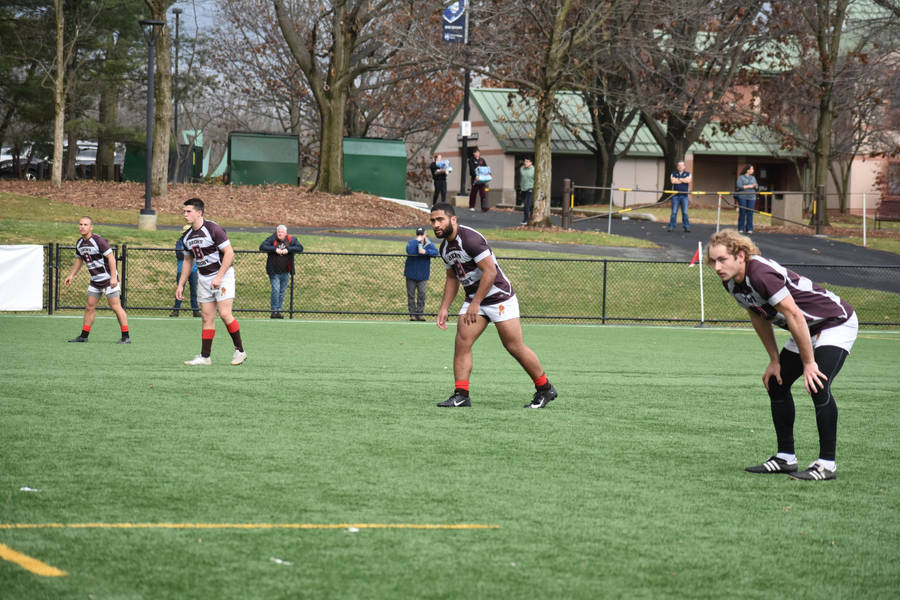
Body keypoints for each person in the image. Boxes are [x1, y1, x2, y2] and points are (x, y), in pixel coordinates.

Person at [707, 229, 857, 481]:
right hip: (805, 328)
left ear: (741, 256)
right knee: (776, 384)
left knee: (817, 384)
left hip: (833, 322)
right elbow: (756, 315)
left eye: (722, 260)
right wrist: (774, 360)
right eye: (713, 261)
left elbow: (795, 315)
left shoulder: (760, 274)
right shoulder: (730, 281)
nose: (717, 267)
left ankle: (827, 464)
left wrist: (809, 363)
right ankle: (785, 458)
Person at [429, 202, 557, 409]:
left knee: (514, 346)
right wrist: (444, 307)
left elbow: (490, 272)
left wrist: (475, 303)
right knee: (462, 343)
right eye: (433, 221)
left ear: (453, 220)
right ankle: (461, 395)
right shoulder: (444, 248)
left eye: (440, 219)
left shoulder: (470, 239)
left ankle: (545, 388)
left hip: (499, 298)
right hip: (475, 300)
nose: (436, 224)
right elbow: (452, 278)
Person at [177, 198, 247, 366]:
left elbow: (229, 254)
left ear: (199, 212)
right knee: (207, 317)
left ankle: (240, 350)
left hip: (223, 275)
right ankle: (205, 356)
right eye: (184, 211)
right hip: (204, 278)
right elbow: (188, 261)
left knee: (224, 314)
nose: (185, 214)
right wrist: (181, 284)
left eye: (189, 211)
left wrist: (219, 276)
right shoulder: (186, 237)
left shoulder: (213, 229)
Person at [64, 216, 131, 344]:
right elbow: (79, 259)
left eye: (85, 224)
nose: (82, 227)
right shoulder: (79, 243)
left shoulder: (98, 241)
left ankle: (126, 336)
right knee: (89, 306)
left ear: (91, 227)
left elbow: (111, 258)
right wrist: (71, 275)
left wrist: (113, 277)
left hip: (108, 279)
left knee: (115, 306)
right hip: (95, 280)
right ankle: (84, 336)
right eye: (80, 224)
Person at [259, 224, 304, 319]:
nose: (280, 234)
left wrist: (288, 250)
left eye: (282, 232)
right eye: (279, 232)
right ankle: (274, 310)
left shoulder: (292, 240)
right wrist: (275, 249)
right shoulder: (272, 239)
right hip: (274, 271)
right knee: (276, 289)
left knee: (282, 291)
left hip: (286, 271)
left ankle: (279, 310)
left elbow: (300, 248)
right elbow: (262, 246)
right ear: (276, 232)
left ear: (286, 233)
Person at [404, 226, 439, 321]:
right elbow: (409, 251)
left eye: (422, 234)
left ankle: (420, 313)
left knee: (422, 294)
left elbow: (436, 252)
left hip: (423, 274)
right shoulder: (412, 242)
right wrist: (417, 242)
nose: (420, 236)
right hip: (411, 273)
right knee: (411, 295)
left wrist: (425, 252)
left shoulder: (428, 243)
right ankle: (412, 314)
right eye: (418, 234)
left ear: (425, 234)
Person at [170, 225, 200, 318]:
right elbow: (179, 254)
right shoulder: (180, 242)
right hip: (181, 270)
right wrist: (188, 253)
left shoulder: (195, 241)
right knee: (180, 291)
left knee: (194, 291)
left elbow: (197, 254)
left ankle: (195, 311)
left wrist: (188, 253)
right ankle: (176, 310)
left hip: (193, 270)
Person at [668, 160, 691, 232]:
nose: (680, 167)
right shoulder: (673, 173)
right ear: (677, 167)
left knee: (685, 212)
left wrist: (678, 179)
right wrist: (682, 180)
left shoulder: (688, 173)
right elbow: (673, 181)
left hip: (684, 196)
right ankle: (671, 226)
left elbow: (688, 181)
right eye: (679, 166)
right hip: (675, 196)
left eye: (681, 166)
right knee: (674, 212)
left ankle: (686, 227)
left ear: (684, 167)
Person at [735, 164, 758, 234]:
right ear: (747, 170)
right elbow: (739, 186)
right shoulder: (741, 177)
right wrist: (749, 186)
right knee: (742, 212)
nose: (753, 170)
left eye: (753, 169)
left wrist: (755, 186)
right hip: (742, 197)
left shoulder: (753, 178)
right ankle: (741, 228)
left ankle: (749, 228)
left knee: (750, 213)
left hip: (752, 197)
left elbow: (756, 186)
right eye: (751, 169)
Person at [519, 157, 535, 225]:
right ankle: (529, 217)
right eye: (525, 161)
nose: (526, 163)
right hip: (523, 189)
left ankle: (526, 220)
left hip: (530, 188)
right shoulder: (522, 169)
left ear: (531, 163)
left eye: (528, 161)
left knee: (526, 204)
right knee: (527, 205)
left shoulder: (534, 170)